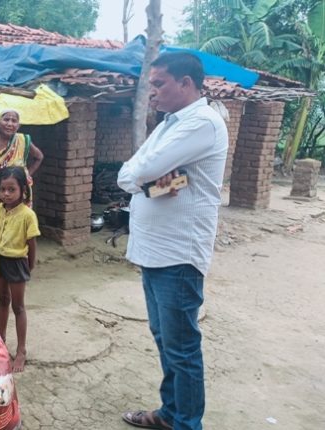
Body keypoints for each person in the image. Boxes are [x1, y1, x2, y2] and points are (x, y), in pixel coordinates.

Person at [117, 52, 228, 430]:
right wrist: (143, 180)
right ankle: (171, 413)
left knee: (181, 348)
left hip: (178, 255)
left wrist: (142, 178)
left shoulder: (201, 123)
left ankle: (185, 423)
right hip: (155, 251)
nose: (152, 91)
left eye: (159, 83)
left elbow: (142, 170)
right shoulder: (170, 123)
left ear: (186, 83)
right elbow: (127, 175)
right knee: (166, 339)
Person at [0, 166, 40, 373]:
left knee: (18, 307)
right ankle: (0, 342)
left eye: (12, 189)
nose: (6, 194)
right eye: (3, 189)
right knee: (3, 300)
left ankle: (21, 351)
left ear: (23, 190)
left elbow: (32, 243)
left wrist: (30, 265)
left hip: (17, 262)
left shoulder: (28, 215)